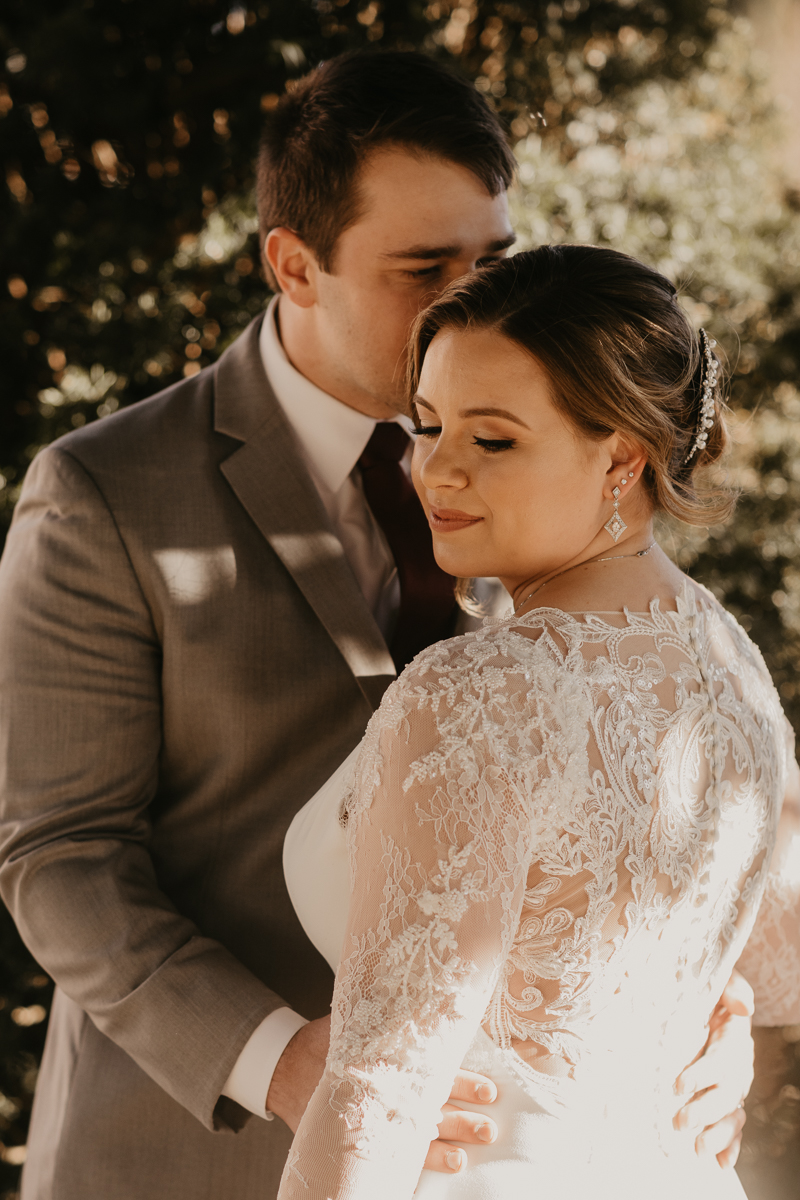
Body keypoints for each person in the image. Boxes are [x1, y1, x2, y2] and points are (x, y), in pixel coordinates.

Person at [0, 52, 752, 1200]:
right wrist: (283, 1060)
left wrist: (696, 1002)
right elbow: (61, 855)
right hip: (197, 1150)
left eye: (489, 258)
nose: (467, 295)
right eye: (423, 267)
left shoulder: (555, 473)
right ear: (294, 265)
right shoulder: (105, 491)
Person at [278, 245, 800, 1200]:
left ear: (623, 459)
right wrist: (720, 1009)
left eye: (493, 440)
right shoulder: (732, 665)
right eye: (429, 425)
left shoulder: (477, 694)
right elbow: (776, 950)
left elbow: (379, 1095)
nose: (435, 469)